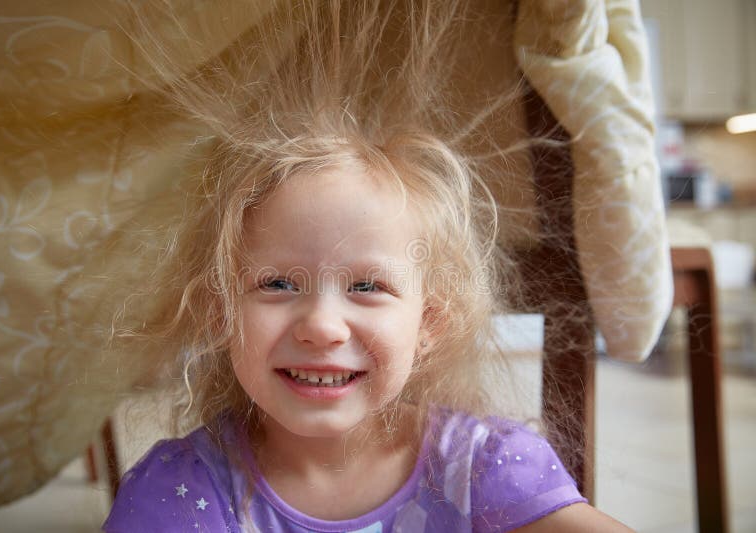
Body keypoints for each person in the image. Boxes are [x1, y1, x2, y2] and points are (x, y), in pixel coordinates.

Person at [103, 1, 635, 531]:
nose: (321, 326)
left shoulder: (484, 466)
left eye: (367, 285)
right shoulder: (181, 491)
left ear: (429, 322)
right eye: (278, 283)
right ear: (220, 312)